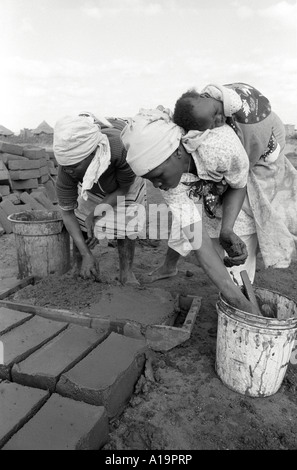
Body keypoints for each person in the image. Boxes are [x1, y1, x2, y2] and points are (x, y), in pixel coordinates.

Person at [151, 83, 297, 285]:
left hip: (256, 161)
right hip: (232, 167)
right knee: (186, 217)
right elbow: (188, 220)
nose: (220, 120)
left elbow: (240, 179)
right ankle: (170, 265)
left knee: (242, 218)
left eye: (218, 113)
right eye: (213, 122)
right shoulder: (193, 136)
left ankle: (239, 285)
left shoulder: (230, 144)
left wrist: (225, 217)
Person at [121, 106, 257, 314]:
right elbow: (199, 242)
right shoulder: (171, 185)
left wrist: (227, 228)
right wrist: (238, 301)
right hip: (209, 183)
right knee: (208, 241)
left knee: (241, 246)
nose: (157, 185)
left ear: (177, 151)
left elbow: (239, 184)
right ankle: (240, 305)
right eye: (150, 180)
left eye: (158, 175)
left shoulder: (220, 148)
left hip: (252, 167)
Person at [54, 112, 146, 285]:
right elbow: (68, 214)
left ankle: (126, 273)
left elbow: (124, 188)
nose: (68, 171)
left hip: (121, 182)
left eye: (74, 166)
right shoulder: (67, 169)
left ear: (93, 154)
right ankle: (81, 266)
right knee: (81, 218)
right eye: (65, 167)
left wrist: (97, 213)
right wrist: (86, 252)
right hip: (93, 183)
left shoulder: (121, 148)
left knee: (126, 219)